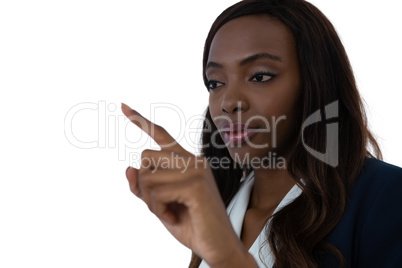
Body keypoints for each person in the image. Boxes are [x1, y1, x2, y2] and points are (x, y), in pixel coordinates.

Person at [121, 0, 402, 267]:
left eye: (260, 76)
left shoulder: (387, 197)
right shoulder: (220, 203)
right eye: (215, 82)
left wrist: (228, 257)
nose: (229, 102)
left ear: (316, 82)